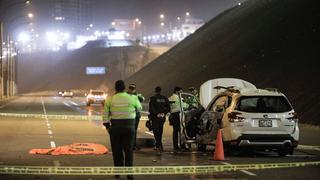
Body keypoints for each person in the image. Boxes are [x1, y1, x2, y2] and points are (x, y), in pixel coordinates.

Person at [103, 80, 142, 180]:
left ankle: (118, 173)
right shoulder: (133, 97)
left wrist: (108, 127)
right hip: (129, 127)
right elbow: (139, 108)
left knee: (117, 151)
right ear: (125, 88)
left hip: (115, 128)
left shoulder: (109, 99)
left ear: (115, 88)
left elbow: (105, 115)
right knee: (129, 151)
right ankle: (129, 174)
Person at [149, 86, 170, 154]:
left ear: (155, 91)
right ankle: (159, 145)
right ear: (160, 91)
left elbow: (151, 108)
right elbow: (168, 107)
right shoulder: (165, 98)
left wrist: (156, 114)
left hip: (155, 117)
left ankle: (158, 144)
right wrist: (163, 113)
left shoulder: (153, 98)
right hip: (162, 117)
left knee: (155, 131)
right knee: (160, 130)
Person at [168, 86, 188, 152]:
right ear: (177, 91)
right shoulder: (178, 98)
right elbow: (184, 105)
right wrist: (189, 105)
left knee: (175, 131)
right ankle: (182, 145)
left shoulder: (170, 98)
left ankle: (176, 146)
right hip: (178, 115)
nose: (181, 92)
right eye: (180, 91)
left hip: (173, 115)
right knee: (181, 131)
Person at [127, 83, 145, 150]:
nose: (131, 90)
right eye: (131, 88)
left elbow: (142, 99)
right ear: (128, 88)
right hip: (129, 116)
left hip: (134, 116)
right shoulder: (126, 95)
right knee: (131, 131)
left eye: (132, 89)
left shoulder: (137, 95)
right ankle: (131, 145)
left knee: (133, 130)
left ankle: (133, 144)